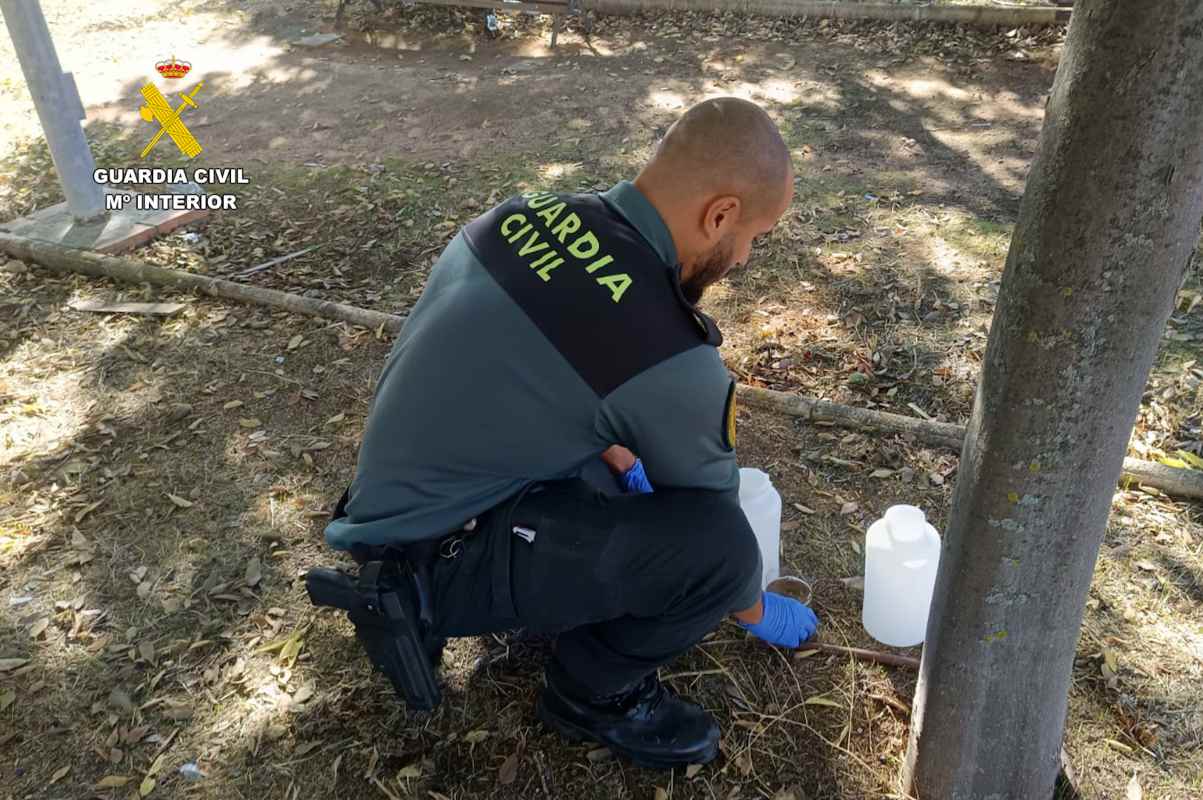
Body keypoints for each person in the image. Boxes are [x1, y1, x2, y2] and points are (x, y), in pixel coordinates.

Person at [322, 96, 819, 768]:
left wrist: (616, 449)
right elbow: (708, 517)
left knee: (621, 474)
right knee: (722, 552)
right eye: (754, 236)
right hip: (433, 557)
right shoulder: (665, 352)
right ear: (719, 215)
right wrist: (753, 608)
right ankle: (590, 693)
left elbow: (527, 377)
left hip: (396, 500)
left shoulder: (518, 215)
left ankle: (500, 580)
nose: (746, 259)